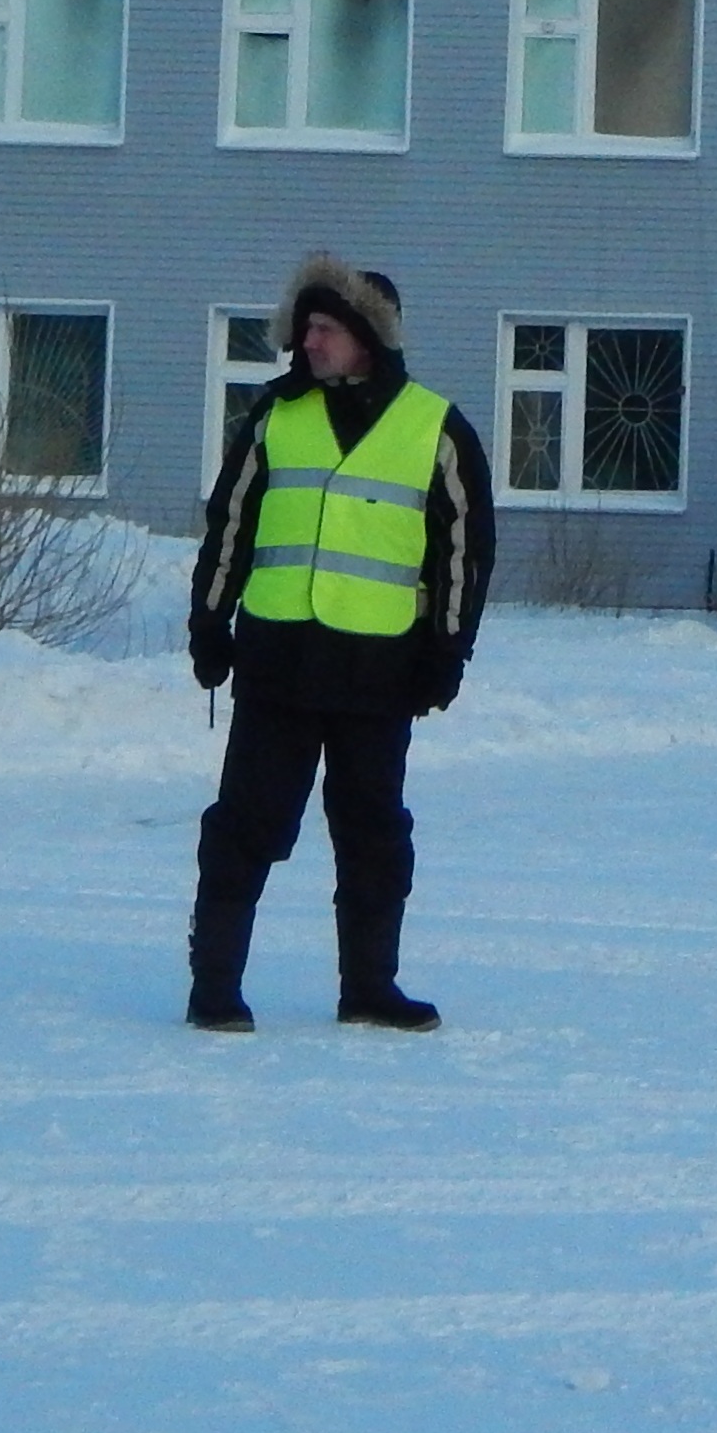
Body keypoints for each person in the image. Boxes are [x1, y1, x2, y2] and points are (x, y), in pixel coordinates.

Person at [183, 254, 496, 1034]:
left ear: (366, 337)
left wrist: (447, 650)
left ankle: (369, 989)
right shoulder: (273, 418)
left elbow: (464, 551)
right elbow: (230, 529)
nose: (308, 343)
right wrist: (208, 623)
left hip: (378, 675)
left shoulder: (436, 427)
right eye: (305, 329)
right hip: (277, 668)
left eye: (324, 329)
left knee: (373, 837)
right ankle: (214, 988)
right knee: (245, 829)